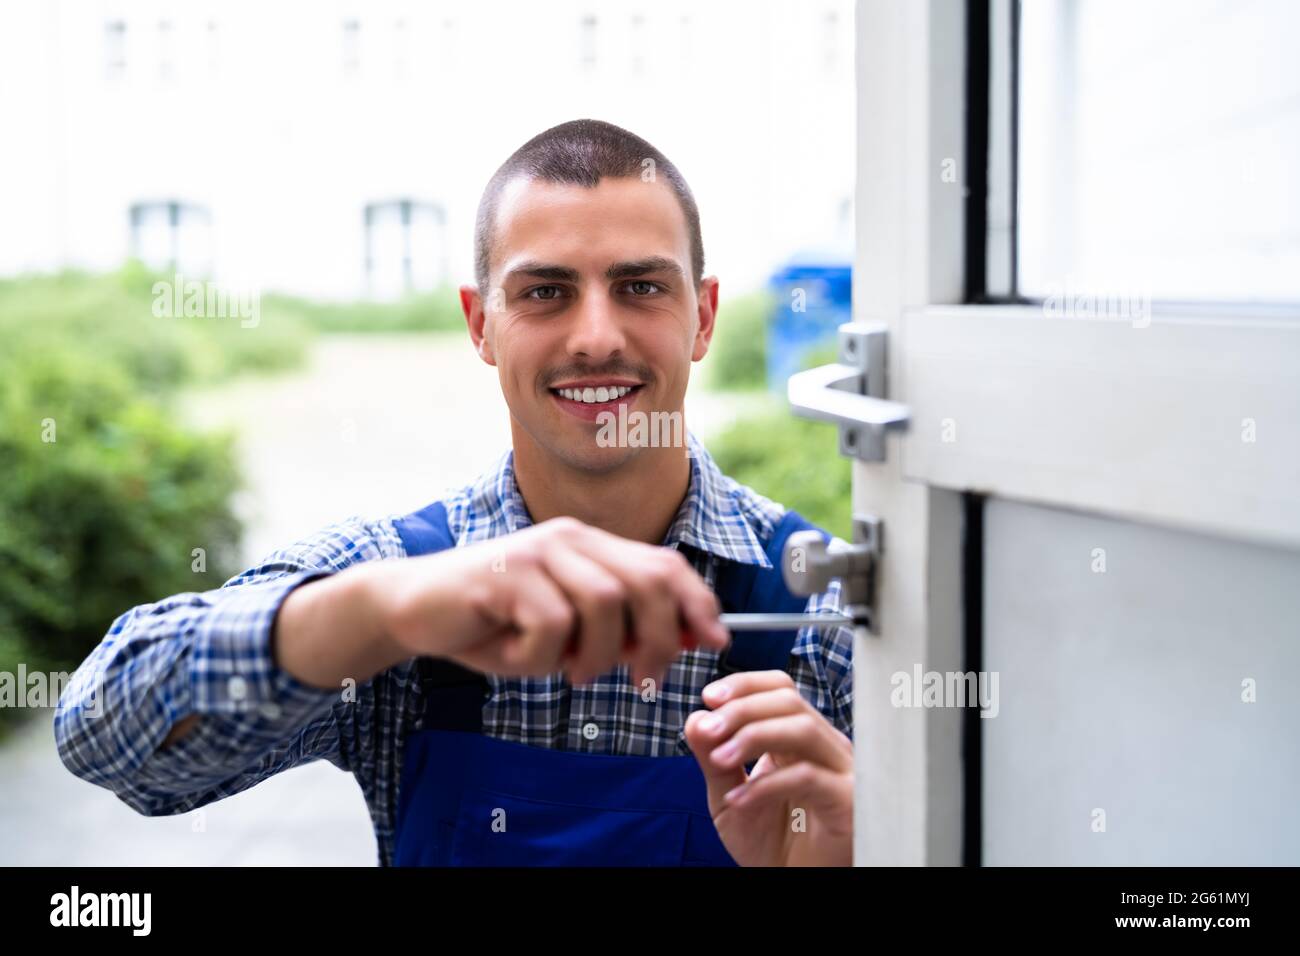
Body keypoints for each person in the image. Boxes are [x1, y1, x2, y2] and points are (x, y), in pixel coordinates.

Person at [55, 119, 854, 867]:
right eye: (545, 292)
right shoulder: (405, 580)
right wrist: (377, 613)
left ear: (704, 316)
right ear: (480, 324)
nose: (597, 336)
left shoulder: (824, 615)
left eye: (641, 287)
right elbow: (104, 736)